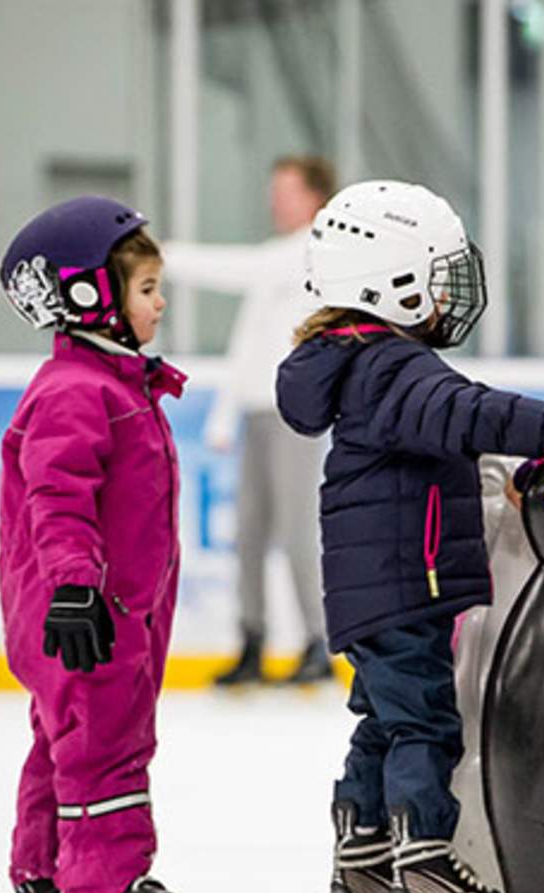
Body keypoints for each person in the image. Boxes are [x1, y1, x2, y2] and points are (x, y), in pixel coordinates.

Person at [274, 180, 544, 893]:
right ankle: (423, 868)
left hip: (372, 589)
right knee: (425, 726)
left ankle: (361, 864)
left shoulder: (354, 365)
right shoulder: (397, 369)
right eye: (439, 276)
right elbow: (474, 411)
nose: (451, 295)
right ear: (394, 286)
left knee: (383, 723)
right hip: (409, 585)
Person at [0, 196, 186, 893]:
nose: (160, 302)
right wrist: (75, 588)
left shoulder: (113, 385)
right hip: (88, 611)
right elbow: (58, 499)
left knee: (62, 736)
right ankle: (103, 883)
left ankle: (43, 869)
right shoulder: (78, 393)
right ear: (89, 295)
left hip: (104, 605)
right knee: (106, 739)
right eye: (145, 289)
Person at [161, 156, 336, 686]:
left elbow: (246, 270)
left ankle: (318, 641)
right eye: (273, 189)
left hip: (295, 415)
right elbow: (247, 348)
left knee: (295, 528)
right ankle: (253, 638)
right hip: (257, 413)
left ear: (315, 198)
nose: (274, 200)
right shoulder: (276, 265)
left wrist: (160, 255)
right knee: (251, 532)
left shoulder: (317, 249)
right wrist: (223, 415)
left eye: (285, 190)